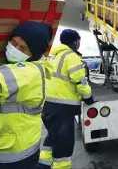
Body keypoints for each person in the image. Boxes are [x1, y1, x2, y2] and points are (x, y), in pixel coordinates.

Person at [0, 21, 53, 169]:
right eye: (13, 42)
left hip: (10, 156)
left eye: (23, 48)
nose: (15, 48)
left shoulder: (30, 72)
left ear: (33, 54)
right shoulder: (12, 70)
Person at [38, 29, 95, 169]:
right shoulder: (71, 57)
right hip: (62, 108)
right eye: (78, 41)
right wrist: (89, 98)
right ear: (76, 42)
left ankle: (43, 164)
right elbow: (80, 82)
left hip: (47, 105)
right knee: (64, 144)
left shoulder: (52, 56)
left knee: (52, 138)